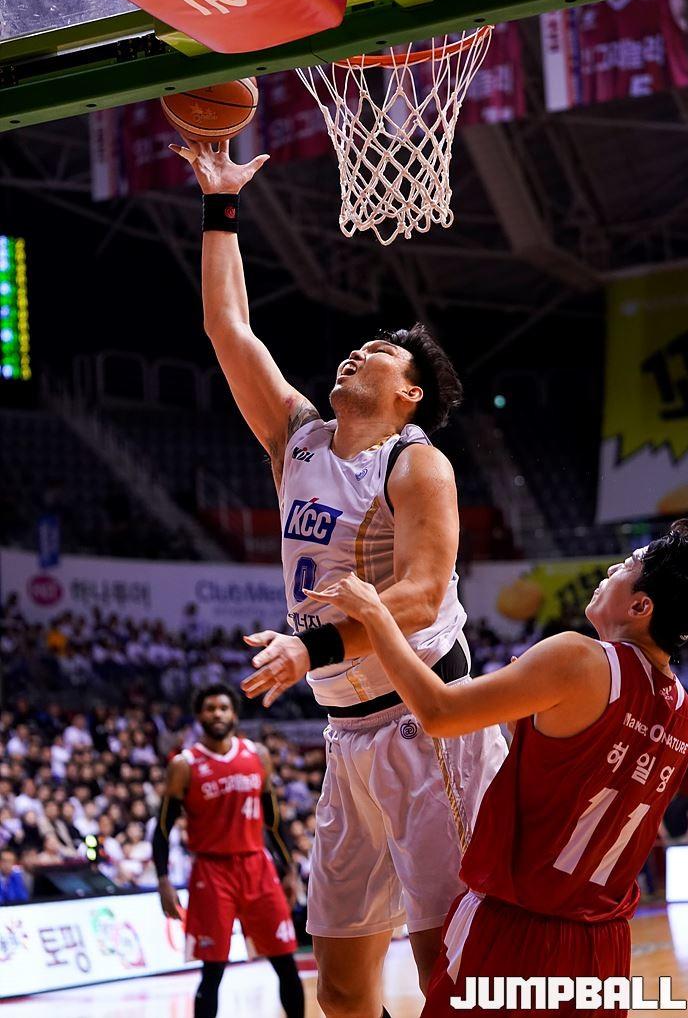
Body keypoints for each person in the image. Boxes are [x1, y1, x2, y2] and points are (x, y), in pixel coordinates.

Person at [169, 139, 507, 1018]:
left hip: (430, 728)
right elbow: (229, 330)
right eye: (355, 347)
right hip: (346, 734)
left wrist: (307, 645)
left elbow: (421, 597)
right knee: (345, 990)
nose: (357, 354)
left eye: (379, 353)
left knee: (447, 972)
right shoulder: (299, 440)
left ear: (410, 395)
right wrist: (219, 205)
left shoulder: (417, 463)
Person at [304, 519, 688, 1017]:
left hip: (519, 929)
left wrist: (375, 614)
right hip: (603, 948)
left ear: (641, 607)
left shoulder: (578, 658)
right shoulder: (685, 716)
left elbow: (439, 713)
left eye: (628, 566)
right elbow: (575, 776)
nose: (613, 569)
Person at [154, 683, 304, 1018]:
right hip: (211, 871)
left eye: (223, 708)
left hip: (257, 865)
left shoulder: (257, 755)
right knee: (213, 971)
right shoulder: (184, 765)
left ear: (234, 715)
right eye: (210, 709)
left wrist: (290, 870)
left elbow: (274, 821)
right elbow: (162, 829)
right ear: (199, 716)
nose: (217, 714)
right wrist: (163, 880)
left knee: (285, 962)